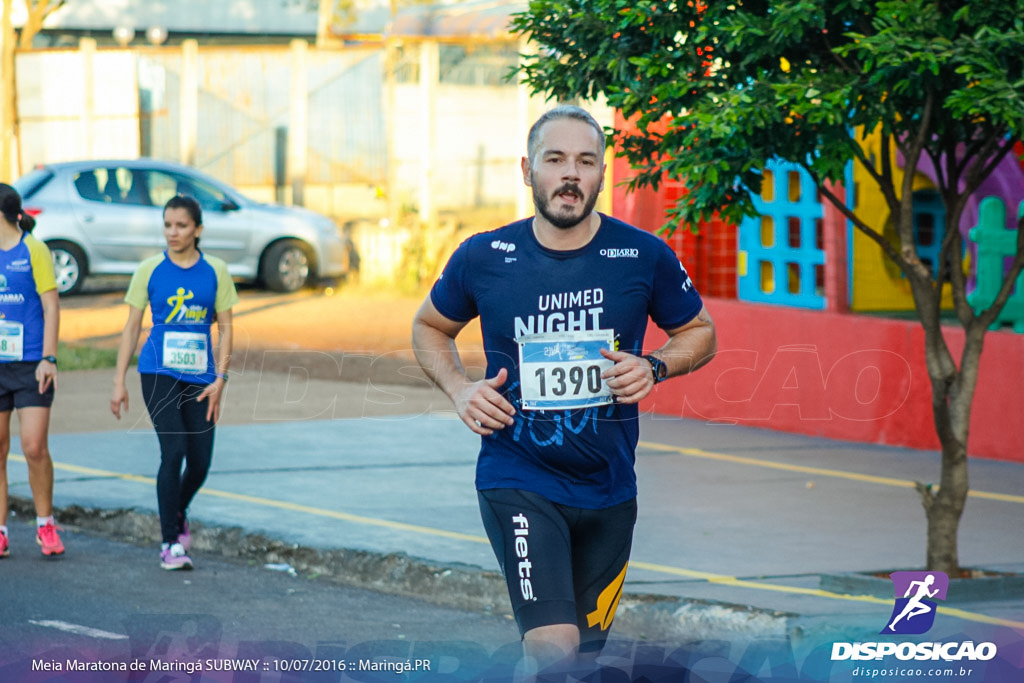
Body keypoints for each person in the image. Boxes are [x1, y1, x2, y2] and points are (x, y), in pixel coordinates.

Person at [411, 105, 717, 677]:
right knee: (551, 648)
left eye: (586, 161)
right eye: (555, 160)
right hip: (518, 475)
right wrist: (458, 389)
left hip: (609, 488)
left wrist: (655, 366)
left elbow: (699, 332)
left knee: (581, 659)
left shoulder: (644, 255)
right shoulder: (485, 256)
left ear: (603, 173)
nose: (570, 174)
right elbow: (429, 326)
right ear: (527, 171)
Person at [110, 195, 237, 571]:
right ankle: (170, 543)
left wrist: (221, 378)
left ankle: (176, 510)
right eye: (167, 225)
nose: (173, 233)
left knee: (200, 463)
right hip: (158, 373)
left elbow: (227, 328)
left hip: (201, 378)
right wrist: (119, 381)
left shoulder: (216, 271)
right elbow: (132, 327)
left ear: (198, 230)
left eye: (181, 226)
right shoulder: (149, 270)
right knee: (175, 451)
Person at [0, 183, 64, 559]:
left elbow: (52, 307)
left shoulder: (34, 250)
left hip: (31, 364)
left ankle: (45, 525)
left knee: (34, 446)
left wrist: (49, 357)